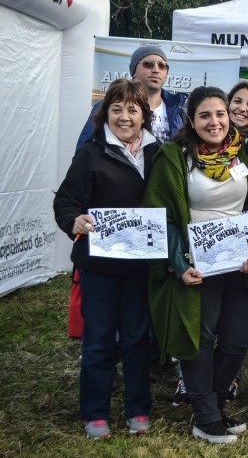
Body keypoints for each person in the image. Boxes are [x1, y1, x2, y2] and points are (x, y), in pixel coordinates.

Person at [143, 86, 248, 444]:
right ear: (192, 120)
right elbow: (162, 215)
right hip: (198, 262)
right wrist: (178, 260)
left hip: (241, 261)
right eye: (205, 115)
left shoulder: (246, 151)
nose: (214, 122)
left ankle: (211, 404)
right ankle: (206, 415)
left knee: (239, 337)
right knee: (203, 335)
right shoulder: (174, 156)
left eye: (220, 114)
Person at [54, 79, 160, 439]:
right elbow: (65, 201)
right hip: (98, 266)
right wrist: (75, 220)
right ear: (105, 114)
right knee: (99, 340)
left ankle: (138, 409)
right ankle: (95, 412)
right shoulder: (91, 153)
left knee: (137, 339)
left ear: (144, 115)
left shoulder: (158, 152)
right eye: (116, 109)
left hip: (140, 267)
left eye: (132, 109)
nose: (124, 117)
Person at [77, 45, 187, 148]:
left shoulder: (179, 112)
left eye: (162, 65)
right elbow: (84, 152)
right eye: (148, 64)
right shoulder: (106, 106)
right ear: (134, 71)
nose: (156, 70)